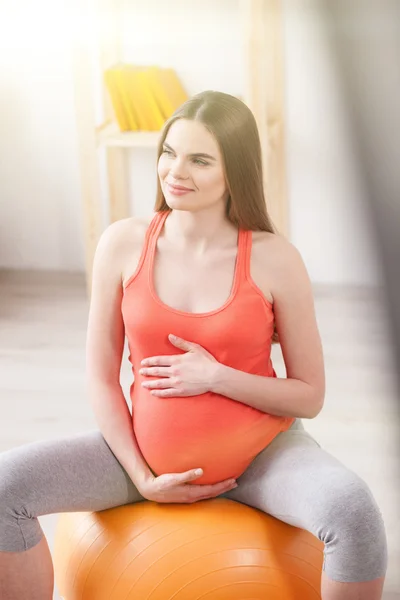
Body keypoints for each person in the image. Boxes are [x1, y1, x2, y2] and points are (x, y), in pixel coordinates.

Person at [0, 91, 387, 600]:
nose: (175, 171)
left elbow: (309, 395)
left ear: (236, 171)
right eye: (168, 153)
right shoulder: (121, 243)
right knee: (6, 487)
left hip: (260, 459)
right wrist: (141, 477)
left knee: (354, 514)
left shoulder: (275, 260)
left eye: (200, 160)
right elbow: (100, 377)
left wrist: (217, 377)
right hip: (137, 457)